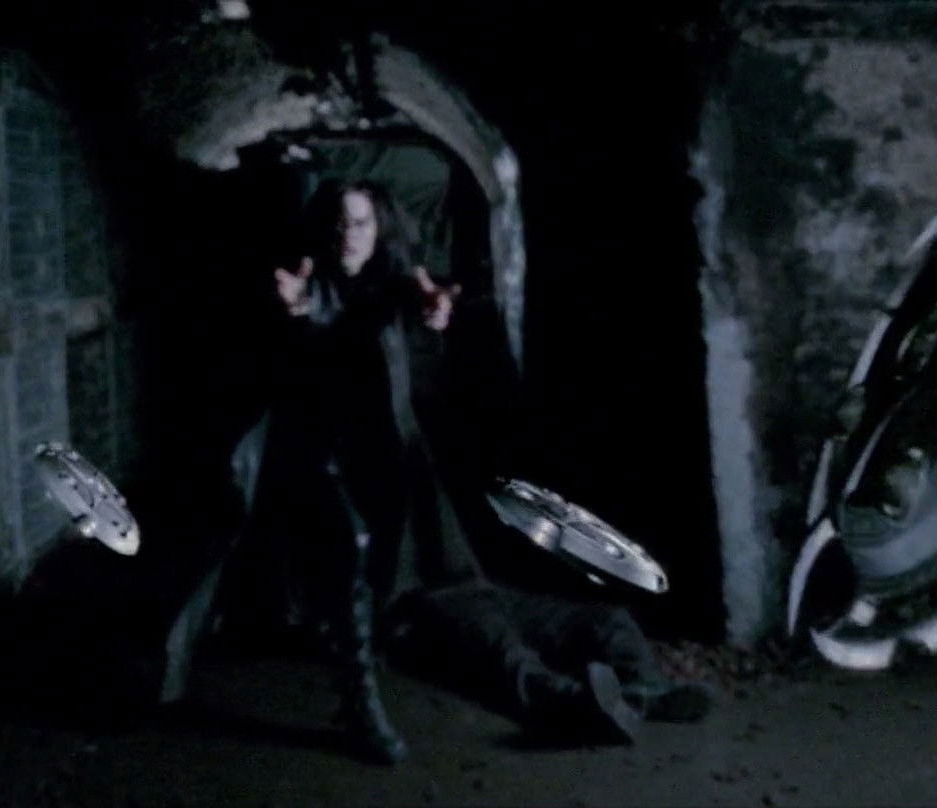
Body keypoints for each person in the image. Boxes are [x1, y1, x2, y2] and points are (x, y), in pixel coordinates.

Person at [172, 178, 712, 765]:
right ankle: (574, 706)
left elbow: (409, 299)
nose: (348, 235)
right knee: (499, 648)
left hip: (460, 575)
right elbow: (311, 334)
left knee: (603, 620)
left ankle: (642, 690)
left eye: (360, 223)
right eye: (339, 224)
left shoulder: (389, 292)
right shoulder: (311, 302)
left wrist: (433, 308)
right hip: (411, 599)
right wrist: (300, 309)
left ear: (377, 230)